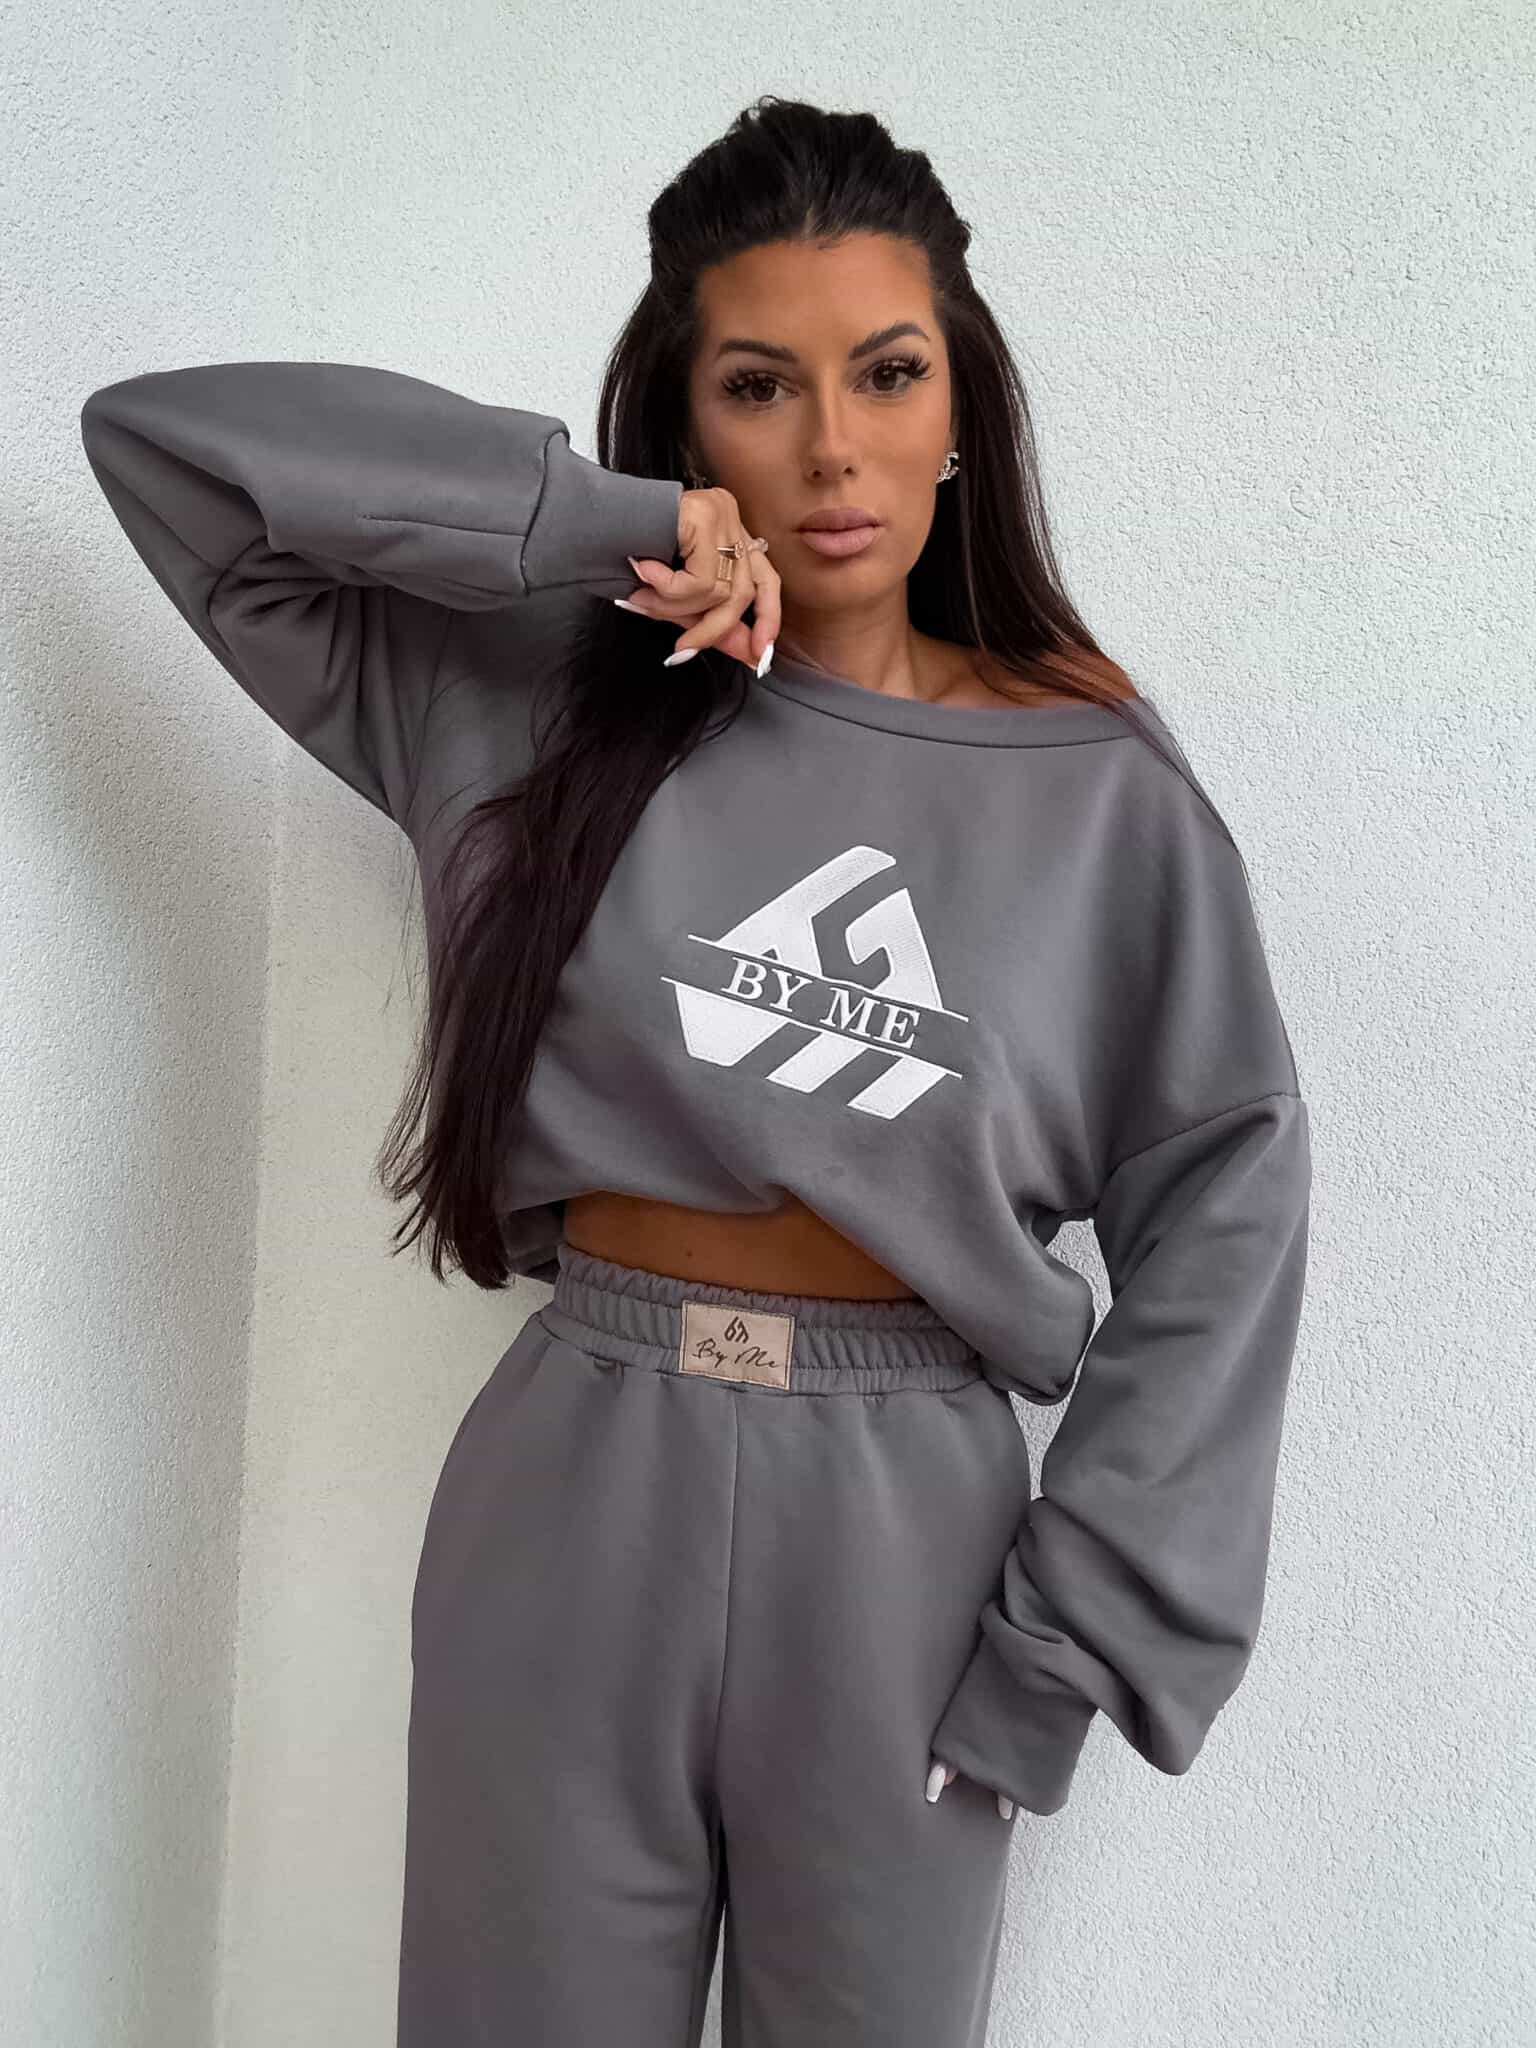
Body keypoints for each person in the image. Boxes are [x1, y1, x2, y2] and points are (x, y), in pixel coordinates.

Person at [78, 94, 1312, 2048]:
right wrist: (610, 526)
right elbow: (173, 455)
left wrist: (1072, 1640)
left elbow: (1229, 1203)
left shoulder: (1103, 797)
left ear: (961, 408)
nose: (831, 447)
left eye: (886, 374)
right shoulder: (528, 700)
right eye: (759, 386)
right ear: (689, 415)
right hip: (582, 1484)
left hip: (910, 1553)